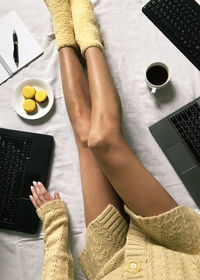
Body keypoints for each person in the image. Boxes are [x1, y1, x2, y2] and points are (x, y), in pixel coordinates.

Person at [30, 0, 200, 279]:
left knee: (87, 138)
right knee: (105, 139)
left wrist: (55, 224)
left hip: (111, 265)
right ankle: (87, 31)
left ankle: (63, 28)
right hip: (184, 256)